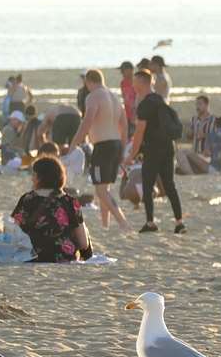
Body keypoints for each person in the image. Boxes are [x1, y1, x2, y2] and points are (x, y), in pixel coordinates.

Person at [125, 66, 184, 234]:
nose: (133, 86)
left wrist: (132, 154)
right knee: (169, 185)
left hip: (153, 149)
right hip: (168, 147)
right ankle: (179, 222)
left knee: (148, 184)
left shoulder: (145, 105)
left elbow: (139, 131)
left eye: (135, 82)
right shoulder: (160, 99)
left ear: (142, 83)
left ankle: (150, 222)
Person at [11, 155, 92, 262]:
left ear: (40, 177)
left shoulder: (27, 199)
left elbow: (14, 232)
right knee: (84, 230)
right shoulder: (70, 202)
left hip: (32, 256)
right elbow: (83, 244)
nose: (32, 178)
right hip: (64, 257)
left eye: (34, 175)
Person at [78, 68, 131, 232]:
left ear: (88, 81)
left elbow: (87, 121)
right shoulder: (114, 97)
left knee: (100, 191)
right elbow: (124, 125)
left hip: (103, 146)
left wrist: (75, 142)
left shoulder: (93, 96)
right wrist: (122, 149)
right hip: (115, 144)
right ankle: (105, 224)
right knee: (104, 189)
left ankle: (123, 222)